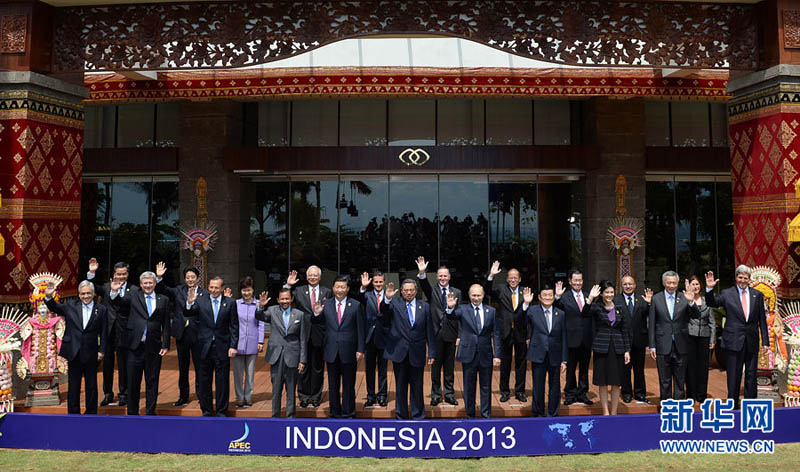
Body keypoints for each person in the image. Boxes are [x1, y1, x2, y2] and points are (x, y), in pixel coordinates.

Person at [705, 266, 769, 407]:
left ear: (749, 280)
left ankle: (751, 405)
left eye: (745, 278)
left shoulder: (757, 295)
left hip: (751, 341)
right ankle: (733, 404)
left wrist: (765, 341)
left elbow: (762, 319)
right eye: (740, 277)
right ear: (736, 278)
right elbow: (712, 303)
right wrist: (709, 289)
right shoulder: (727, 294)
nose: (743, 280)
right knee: (734, 375)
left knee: (751, 375)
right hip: (733, 341)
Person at [110, 271, 170, 416]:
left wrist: (165, 344)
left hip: (154, 347)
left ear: (155, 283)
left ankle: (150, 412)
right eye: (145, 283)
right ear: (141, 284)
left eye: (150, 283)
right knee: (133, 382)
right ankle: (132, 413)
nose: (148, 285)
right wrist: (114, 291)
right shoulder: (133, 296)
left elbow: (166, 324)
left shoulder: (164, 299)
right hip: (134, 346)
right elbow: (119, 303)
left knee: (152, 381)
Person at [44, 280, 107, 414]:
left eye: (88, 293)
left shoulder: (101, 309)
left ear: (93, 294)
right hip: (74, 351)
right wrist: (49, 297)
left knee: (91, 385)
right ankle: (73, 413)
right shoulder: (71, 306)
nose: (86, 296)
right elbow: (54, 307)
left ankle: (91, 412)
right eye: (83, 294)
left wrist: (102, 350)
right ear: (79, 295)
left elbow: (104, 332)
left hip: (91, 352)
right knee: (74, 385)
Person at [381, 279, 436, 419]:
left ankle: (418, 415)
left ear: (416, 291)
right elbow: (384, 312)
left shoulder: (424, 307)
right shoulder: (395, 303)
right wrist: (387, 298)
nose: (409, 292)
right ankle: (401, 416)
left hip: (417, 352)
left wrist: (432, 352)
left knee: (417, 386)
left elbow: (429, 330)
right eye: (406, 290)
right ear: (401, 291)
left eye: (411, 290)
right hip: (399, 352)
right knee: (400, 387)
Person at [184, 276, 239, 416]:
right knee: (204, 381)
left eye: (216, 287)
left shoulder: (230, 303)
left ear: (222, 289)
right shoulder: (201, 301)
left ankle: (222, 411)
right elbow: (189, 313)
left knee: (222, 381)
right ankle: (207, 410)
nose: (213, 290)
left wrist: (233, 346)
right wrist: (189, 303)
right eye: (211, 287)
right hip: (203, 347)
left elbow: (234, 326)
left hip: (222, 347)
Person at [445, 285, 502, 418]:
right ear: (469, 296)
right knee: (469, 387)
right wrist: (450, 308)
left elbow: (497, 334)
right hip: (468, 354)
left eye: (479, 295)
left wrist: (497, 355)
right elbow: (452, 317)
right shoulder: (462, 309)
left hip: (486, 354)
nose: (476, 298)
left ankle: (486, 414)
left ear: (483, 295)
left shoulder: (491, 311)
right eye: (473, 295)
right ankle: (470, 415)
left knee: (486, 387)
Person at [312, 275, 364, 418]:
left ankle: (348, 412)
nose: (339, 290)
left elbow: (360, 329)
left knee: (349, 385)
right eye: (337, 287)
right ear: (333, 288)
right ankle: (334, 413)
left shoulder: (355, 305)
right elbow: (318, 324)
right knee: (333, 385)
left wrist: (360, 349)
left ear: (347, 289)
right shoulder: (326, 304)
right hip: (331, 350)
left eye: (343, 287)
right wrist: (316, 313)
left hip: (349, 351)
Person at [154, 262, 204, 407]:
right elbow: (161, 289)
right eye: (187, 277)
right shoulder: (178, 291)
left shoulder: (204, 294)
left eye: (192, 277)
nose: (190, 279)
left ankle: (201, 395)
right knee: (183, 367)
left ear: (198, 278)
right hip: (182, 334)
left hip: (197, 334)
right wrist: (159, 277)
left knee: (200, 367)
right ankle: (183, 396)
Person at [255, 288, 309, 417]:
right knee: (276, 389)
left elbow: (303, 339)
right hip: (276, 355)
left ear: (291, 299)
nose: (285, 301)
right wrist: (260, 306)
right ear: (278, 300)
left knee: (291, 389)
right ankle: (276, 416)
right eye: (282, 299)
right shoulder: (272, 311)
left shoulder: (299, 315)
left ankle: (290, 416)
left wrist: (302, 360)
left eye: (287, 298)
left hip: (293, 356)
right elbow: (260, 316)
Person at [416, 256, 461, 406]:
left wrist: (460, 335)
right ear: (436, 277)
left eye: (445, 275)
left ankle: (449, 394)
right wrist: (422, 273)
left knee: (449, 366)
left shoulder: (457, 292)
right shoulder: (432, 291)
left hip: (451, 333)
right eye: (440, 275)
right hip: (435, 334)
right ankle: (436, 394)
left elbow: (460, 315)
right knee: (435, 367)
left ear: (449, 277)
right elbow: (424, 285)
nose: (443, 278)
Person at [648, 271, 699, 401]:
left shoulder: (684, 297)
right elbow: (652, 323)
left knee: (680, 379)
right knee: (664, 380)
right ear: (664, 283)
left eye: (674, 283)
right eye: (669, 282)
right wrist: (652, 346)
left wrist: (691, 302)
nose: (671, 285)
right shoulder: (656, 298)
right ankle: (666, 407)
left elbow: (695, 315)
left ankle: (679, 407)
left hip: (681, 344)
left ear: (677, 283)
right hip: (662, 344)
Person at [88, 258, 132, 407]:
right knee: (107, 364)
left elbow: (128, 303)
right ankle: (108, 393)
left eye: (124, 274)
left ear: (127, 274)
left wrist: (115, 293)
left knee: (123, 363)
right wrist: (92, 272)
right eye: (118, 274)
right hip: (107, 330)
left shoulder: (133, 289)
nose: (121, 277)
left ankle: (124, 394)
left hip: (124, 330)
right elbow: (92, 287)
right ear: (114, 274)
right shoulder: (107, 287)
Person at [285, 266, 332, 408]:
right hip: (302, 332)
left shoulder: (327, 292)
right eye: (310, 275)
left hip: (318, 333)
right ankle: (304, 396)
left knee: (317, 366)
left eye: (315, 275)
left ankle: (316, 396)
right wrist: (288, 285)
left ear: (320, 277)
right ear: (306, 277)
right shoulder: (298, 291)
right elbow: (285, 298)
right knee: (303, 365)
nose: (313, 277)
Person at [484, 261, 528, 403]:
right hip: (505, 331)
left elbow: (529, 314)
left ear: (520, 279)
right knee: (505, 364)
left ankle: (520, 391)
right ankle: (505, 391)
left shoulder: (525, 291)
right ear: (507, 279)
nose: (513, 280)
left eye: (515, 277)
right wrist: (491, 275)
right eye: (510, 277)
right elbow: (487, 290)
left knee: (521, 364)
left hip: (521, 333)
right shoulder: (501, 289)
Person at [522, 284, 567, 417]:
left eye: (550, 295)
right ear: (539, 298)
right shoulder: (532, 311)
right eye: (545, 295)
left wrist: (564, 359)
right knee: (538, 385)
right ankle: (538, 412)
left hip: (555, 354)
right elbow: (521, 321)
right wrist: (525, 303)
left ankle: (553, 413)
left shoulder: (561, 314)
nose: (548, 297)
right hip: (538, 353)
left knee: (555, 386)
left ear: (554, 297)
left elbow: (564, 337)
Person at [590, 281, 631, 416]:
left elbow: (625, 330)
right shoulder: (596, 307)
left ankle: (614, 412)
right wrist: (590, 298)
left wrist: (627, 350)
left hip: (617, 348)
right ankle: (605, 411)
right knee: (603, 382)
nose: (609, 294)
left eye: (611, 292)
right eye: (606, 292)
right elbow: (585, 313)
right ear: (601, 293)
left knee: (616, 382)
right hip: (602, 349)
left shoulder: (620, 307)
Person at [555, 270, 594, 406]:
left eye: (580, 280)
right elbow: (556, 311)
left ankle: (582, 393)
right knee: (570, 368)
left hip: (586, 338)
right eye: (575, 280)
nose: (578, 283)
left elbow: (591, 315)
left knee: (584, 368)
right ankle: (570, 393)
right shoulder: (564, 297)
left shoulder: (589, 296)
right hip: (570, 338)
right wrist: (557, 297)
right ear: (570, 281)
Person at [614, 275, 652, 404]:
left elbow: (650, 315)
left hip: (639, 341)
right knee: (624, 370)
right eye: (625, 284)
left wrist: (649, 303)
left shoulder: (641, 300)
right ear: (621, 286)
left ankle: (640, 393)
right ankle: (626, 393)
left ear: (635, 285)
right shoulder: (616, 300)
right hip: (623, 342)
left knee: (639, 370)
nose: (628, 286)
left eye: (630, 284)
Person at [358, 271, 391, 407]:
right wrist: (363, 287)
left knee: (383, 369)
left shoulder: (390, 296)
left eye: (380, 282)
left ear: (384, 282)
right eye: (376, 282)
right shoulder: (367, 295)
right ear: (372, 283)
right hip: (369, 338)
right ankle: (371, 396)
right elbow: (359, 299)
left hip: (384, 336)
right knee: (369, 369)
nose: (378, 284)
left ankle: (382, 395)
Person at [232, 276, 264, 408]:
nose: (246, 293)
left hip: (252, 342)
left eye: (249, 290)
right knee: (238, 374)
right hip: (238, 343)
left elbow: (261, 323)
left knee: (250, 374)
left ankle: (248, 397)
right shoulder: (235, 304)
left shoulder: (258, 305)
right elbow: (232, 324)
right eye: (244, 290)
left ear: (253, 290)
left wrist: (261, 341)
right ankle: (239, 398)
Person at [685, 275, 716, 404]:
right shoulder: (685, 300)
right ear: (689, 286)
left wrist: (712, 340)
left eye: (697, 284)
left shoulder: (706, 301)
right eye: (693, 284)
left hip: (704, 336)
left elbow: (712, 322)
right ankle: (691, 394)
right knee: (690, 366)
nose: (695, 287)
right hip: (690, 336)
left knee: (703, 367)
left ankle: (701, 395)